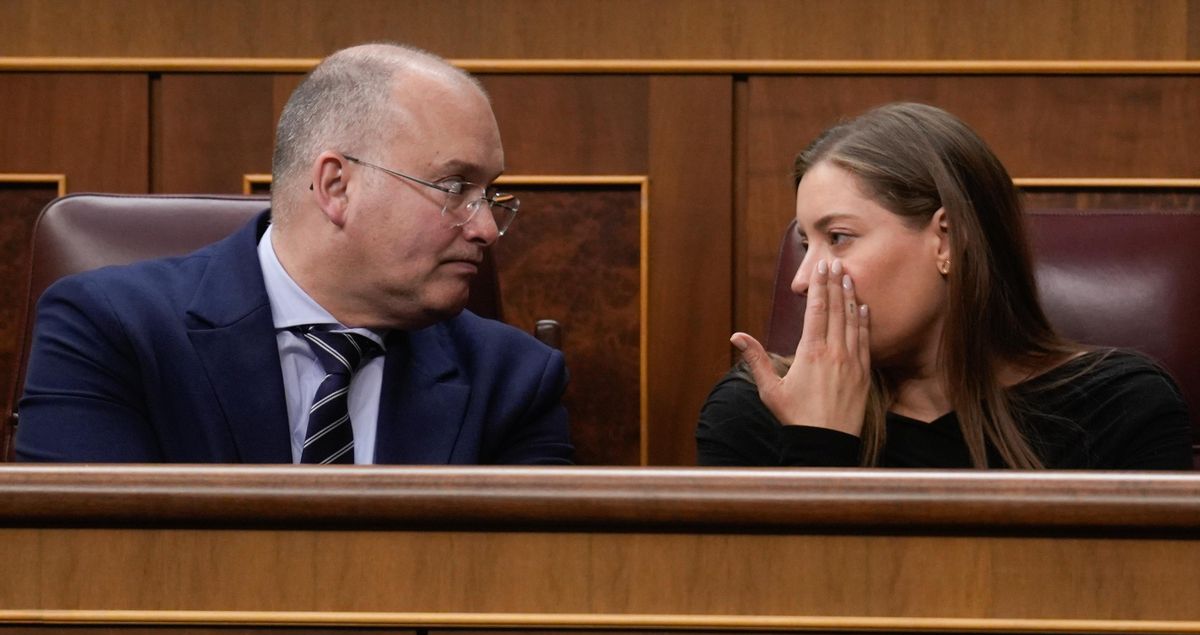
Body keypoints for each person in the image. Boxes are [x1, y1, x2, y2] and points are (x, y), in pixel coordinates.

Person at [16, 43, 573, 464]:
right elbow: (82, 567)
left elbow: (528, 597)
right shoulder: (112, 331)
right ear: (336, 186)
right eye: (454, 188)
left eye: (490, 197)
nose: (484, 228)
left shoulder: (515, 380)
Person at [696, 102, 1191, 470]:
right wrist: (818, 444)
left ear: (946, 240)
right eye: (807, 244)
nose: (803, 281)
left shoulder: (1118, 406)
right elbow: (779, 605)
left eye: (839, 238)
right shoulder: (753, 411)